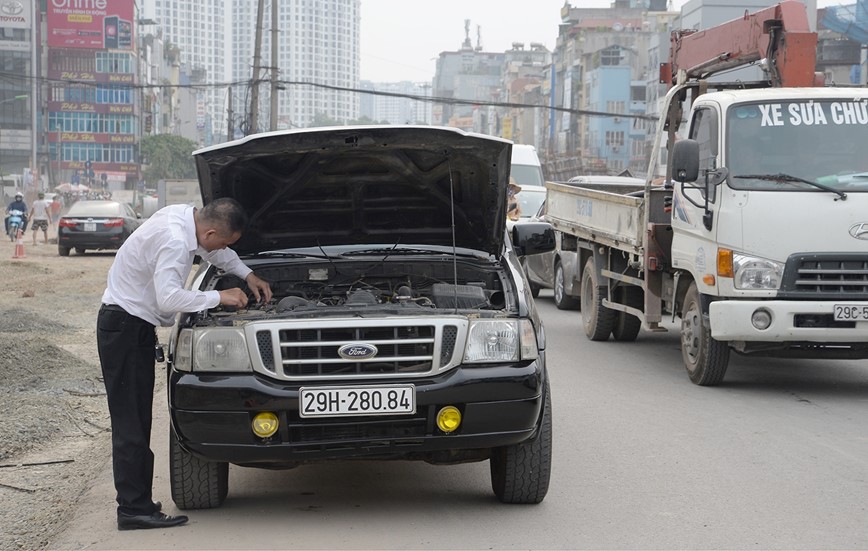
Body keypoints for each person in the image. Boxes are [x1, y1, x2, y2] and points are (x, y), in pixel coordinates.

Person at [96, 198, 272, 531]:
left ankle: (139, 502)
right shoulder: (176, 242)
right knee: (131, 422)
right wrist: (221, 297)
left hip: (128, 323)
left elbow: (215, 253)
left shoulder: (184, 217)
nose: (223, 250)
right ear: (208, 230)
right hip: (124, 328)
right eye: (223, 240)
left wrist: (248, 275)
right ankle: (133, 510)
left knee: (137, 418)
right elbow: (169, 298)